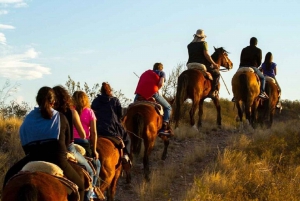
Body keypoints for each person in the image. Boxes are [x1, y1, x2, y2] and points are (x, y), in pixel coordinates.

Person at [2, 86, 85, 201]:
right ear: (54, 101)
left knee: (8, 177)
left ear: (37, 100)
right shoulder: (59, 117)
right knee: (80, 186)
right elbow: (66, 144)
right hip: (57, 159)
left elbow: (25, 145)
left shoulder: (28, 118)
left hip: (32, 158)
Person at [52, 85, 104, 201]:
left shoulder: (48, 113)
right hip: (71, 146)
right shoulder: (73, 112)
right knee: (93, 167)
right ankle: (90, 193)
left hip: (48, 149)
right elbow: (84, 134)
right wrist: (94, 149)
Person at [91, 82, 132, 165]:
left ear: (101, 91)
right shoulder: (115, 100)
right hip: (112, 128)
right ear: (110, 90)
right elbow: (120, 115)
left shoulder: (95, 101)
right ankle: (125, 155)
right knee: (127, 139)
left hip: (97, 128)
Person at [134, 62, 173, 136]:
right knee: (168, 107)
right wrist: (157, 89)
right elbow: (161, 83)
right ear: (161, 68)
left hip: (139, 93)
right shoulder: (162, 73)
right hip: (152, 92)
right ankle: (164, 126)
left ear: (153, 68)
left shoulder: (145, 73)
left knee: (131, 107)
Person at [72, 91, 101, 188]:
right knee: (97, 164)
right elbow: (94, 133)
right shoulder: (89, 112)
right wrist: (94, 150)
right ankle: (92, 189)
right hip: (83, 142)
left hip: (70, 142)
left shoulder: (70, 111)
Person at [232, 37, 269, 101]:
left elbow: (241, 59)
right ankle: (262, 92)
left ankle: (235, 95)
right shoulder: (258, 50)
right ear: (256, 43)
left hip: (242, 67)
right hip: (253, 67)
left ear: (250, 42)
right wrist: (256, 66)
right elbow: (259, 62)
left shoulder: (244, 49)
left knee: (234, 78)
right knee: (263, 78)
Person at [187, 29, 220, 98]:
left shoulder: (189, 45)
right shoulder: (204, 43)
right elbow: (206, 55)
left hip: (189, 65)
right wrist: (214, 64)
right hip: (200, 65)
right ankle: (213, 91)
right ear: (202, 37)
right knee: (217, 74)